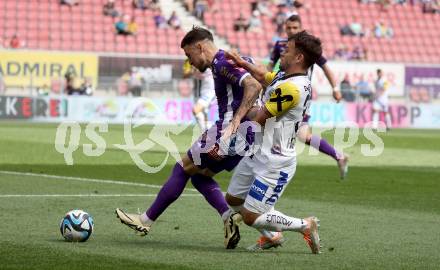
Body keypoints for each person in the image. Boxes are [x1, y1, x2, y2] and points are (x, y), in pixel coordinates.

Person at [115, 27, 264, 249]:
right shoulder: (237, 59)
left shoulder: (222, 62)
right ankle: (228, 218)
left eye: (189, 55)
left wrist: (235, 122)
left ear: (200, 47)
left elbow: (254, 85)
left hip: (228, 132)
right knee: (199, 176)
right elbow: (262, 77)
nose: (190, 62)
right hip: (248, 137)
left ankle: (145, 221)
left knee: (182, 167)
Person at [223, 31, 321, 253]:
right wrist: (241, 63)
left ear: (299, 58)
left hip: (275, 163)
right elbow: (266, 76)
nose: (281, 53)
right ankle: (273, 236)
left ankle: (306, 225)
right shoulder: (286, 78)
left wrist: (240, 110)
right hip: (258, 152)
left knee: (250, 217)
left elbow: (258, 118)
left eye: (287, 50)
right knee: (233, 198)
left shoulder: (292, 88)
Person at [268, 14, 349, 180]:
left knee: (298, 134)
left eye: (295, 28)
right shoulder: (280, 45)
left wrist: (335, 88)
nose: (291, 30)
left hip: (299, 95)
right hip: (281, 91)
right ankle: (339, 156)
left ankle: (270, 169)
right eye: (289, 27)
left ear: (300, 28)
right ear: (285, 28)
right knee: (288, 131)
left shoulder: (307, 47)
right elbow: (270, 66)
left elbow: (326, 68)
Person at [183, 59, 216, 131]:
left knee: (196, 110)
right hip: (198, 92)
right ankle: (209, 133)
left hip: (209, 92)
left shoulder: (207, 60)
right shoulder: (189, 61)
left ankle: (205, 133)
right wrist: (192, 70)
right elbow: (185, 75)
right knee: (203, 114)